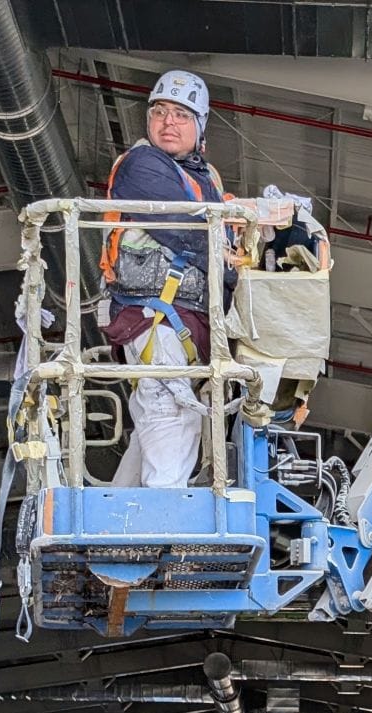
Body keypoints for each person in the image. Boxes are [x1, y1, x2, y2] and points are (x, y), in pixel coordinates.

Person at [99, 69, 238, 488]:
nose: (168, 122)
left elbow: (219, 239)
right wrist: (224, 255)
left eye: (181, 114)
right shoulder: (142, 164)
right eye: (159, 112)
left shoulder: (205, 179)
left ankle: (114, 519)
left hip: (185, 320)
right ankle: (162, 534)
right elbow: (182, 227)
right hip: (157, 316)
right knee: (169, 414)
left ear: (200, 125)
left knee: (160, 423)